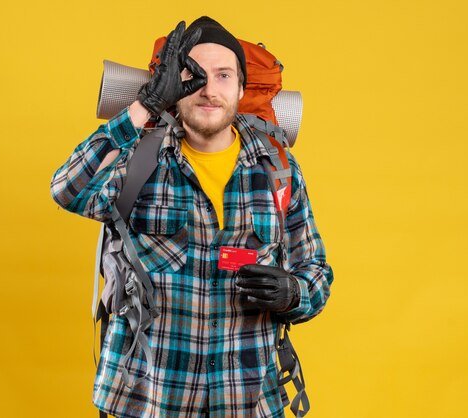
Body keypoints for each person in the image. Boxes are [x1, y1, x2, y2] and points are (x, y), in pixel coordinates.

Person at [51, 16, 333, 418]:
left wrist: (294, 292)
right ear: (173, 85)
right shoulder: (139, 158)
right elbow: (68, 189)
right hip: (151, 398)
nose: (208, 89)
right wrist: (144, 105)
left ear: (240, 87)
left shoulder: (278, 169)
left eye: (223, 75)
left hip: (247, 399)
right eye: (192, 74)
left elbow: (317, 271)